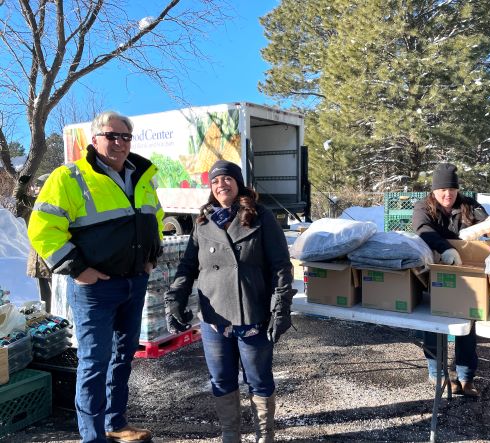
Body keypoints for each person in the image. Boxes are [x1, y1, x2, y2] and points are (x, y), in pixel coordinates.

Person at [28, 111, 164, 443]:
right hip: (95, 289)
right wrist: (78, 269)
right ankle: (93, 437)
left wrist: (151, 259)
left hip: (133, 283)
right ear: (95, 139)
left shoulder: (141, 176)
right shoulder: (69, 177)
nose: (119, 143)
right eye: (111, 136)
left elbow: (156, 219)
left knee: (123, 357)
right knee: (94, 362)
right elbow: (43, 230)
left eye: (125, 137)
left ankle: (115, 424)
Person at [165, 160, 295, 443]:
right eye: (215, 182)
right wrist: (175, 297)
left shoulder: (261, 216)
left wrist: (281, 307)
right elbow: (187, 267)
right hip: (214, 318)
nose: (221, 185)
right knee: (222, 380)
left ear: (238, 183)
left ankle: (265, 435)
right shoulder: (203, 222)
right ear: (211, 189)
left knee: (258, 379)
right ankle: (229, 435)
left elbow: (281, 266)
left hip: (252, 314)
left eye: (227, 179)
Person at [412, 162, 489, 397]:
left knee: (467, 325)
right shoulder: (423, 207)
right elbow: (423, 229)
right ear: (434, 190)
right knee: (435, 324)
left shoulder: (469, 206)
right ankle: (438, 373)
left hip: (467, 275)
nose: (448, 195)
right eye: (442, 190)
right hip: (435, 272)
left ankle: (466, 377)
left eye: (452, 190)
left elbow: (487, 223)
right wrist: (446, 248)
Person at [26, 174, 52, 311]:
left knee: (55, 296)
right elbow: (19, 199)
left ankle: (57, 320)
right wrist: (21, 184)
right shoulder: (35, 203)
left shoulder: (54, 203)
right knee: (44, 298)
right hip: (37, 260)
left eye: (39, 185)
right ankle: (47, 318)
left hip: (51, 259)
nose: (36, 188)